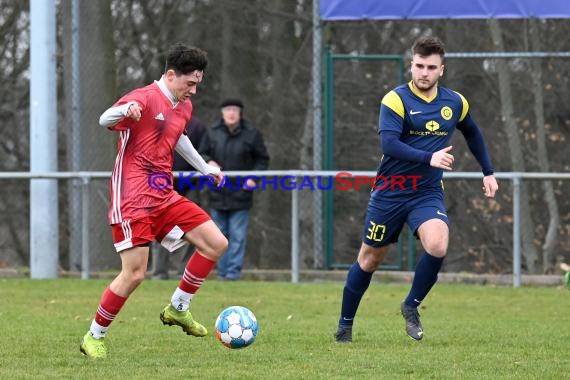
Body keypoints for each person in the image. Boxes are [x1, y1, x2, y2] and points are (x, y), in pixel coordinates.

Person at [334, 36, 499, 343]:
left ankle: (410, 306)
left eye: (431, 67)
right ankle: (345, 325)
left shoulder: (454, 102)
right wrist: (429, 156)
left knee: (437, 245)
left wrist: (488, 171)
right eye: (419, 66)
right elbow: (389, 144)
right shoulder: (395, 100)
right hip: (390, 190)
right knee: (369, 259)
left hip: (426, 191)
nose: (424, 72)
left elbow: (473, 133)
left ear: (442, 70)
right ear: (411, 65)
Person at [80, 43, 228, 359]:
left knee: (216, 242)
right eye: (190, 83)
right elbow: (104, 119)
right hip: (132, 196)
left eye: (197, 84)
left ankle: (178, 308)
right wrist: (125, 111)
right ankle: (94, 336)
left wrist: (205, 168)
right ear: (171, 75)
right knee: (134, 273)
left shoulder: (183, 106)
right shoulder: (144, 98)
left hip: (162, 193)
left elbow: (179, 137)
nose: (194, 91)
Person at [199, 98, 269, 280]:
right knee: (219, 236)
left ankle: (232, 274)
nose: (231, 113)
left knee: (238, 236)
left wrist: (254, 178)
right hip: (217, 193)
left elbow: (262, 159)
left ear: (240, 113)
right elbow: (201, 153)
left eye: (235, 110)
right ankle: (222, 274)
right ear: (222, 112)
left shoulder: (251, 134)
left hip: (241, 194)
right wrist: (208, 161)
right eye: (228, 109)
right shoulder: (212, 132)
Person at [151, 117, 207, 280]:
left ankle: (184, 273)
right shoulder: (157, 123)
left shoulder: (197, 126)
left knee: (193, 229)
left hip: (189, 186)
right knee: (160, 228)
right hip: (161, 187)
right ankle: (159, 272)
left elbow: (202, 152)